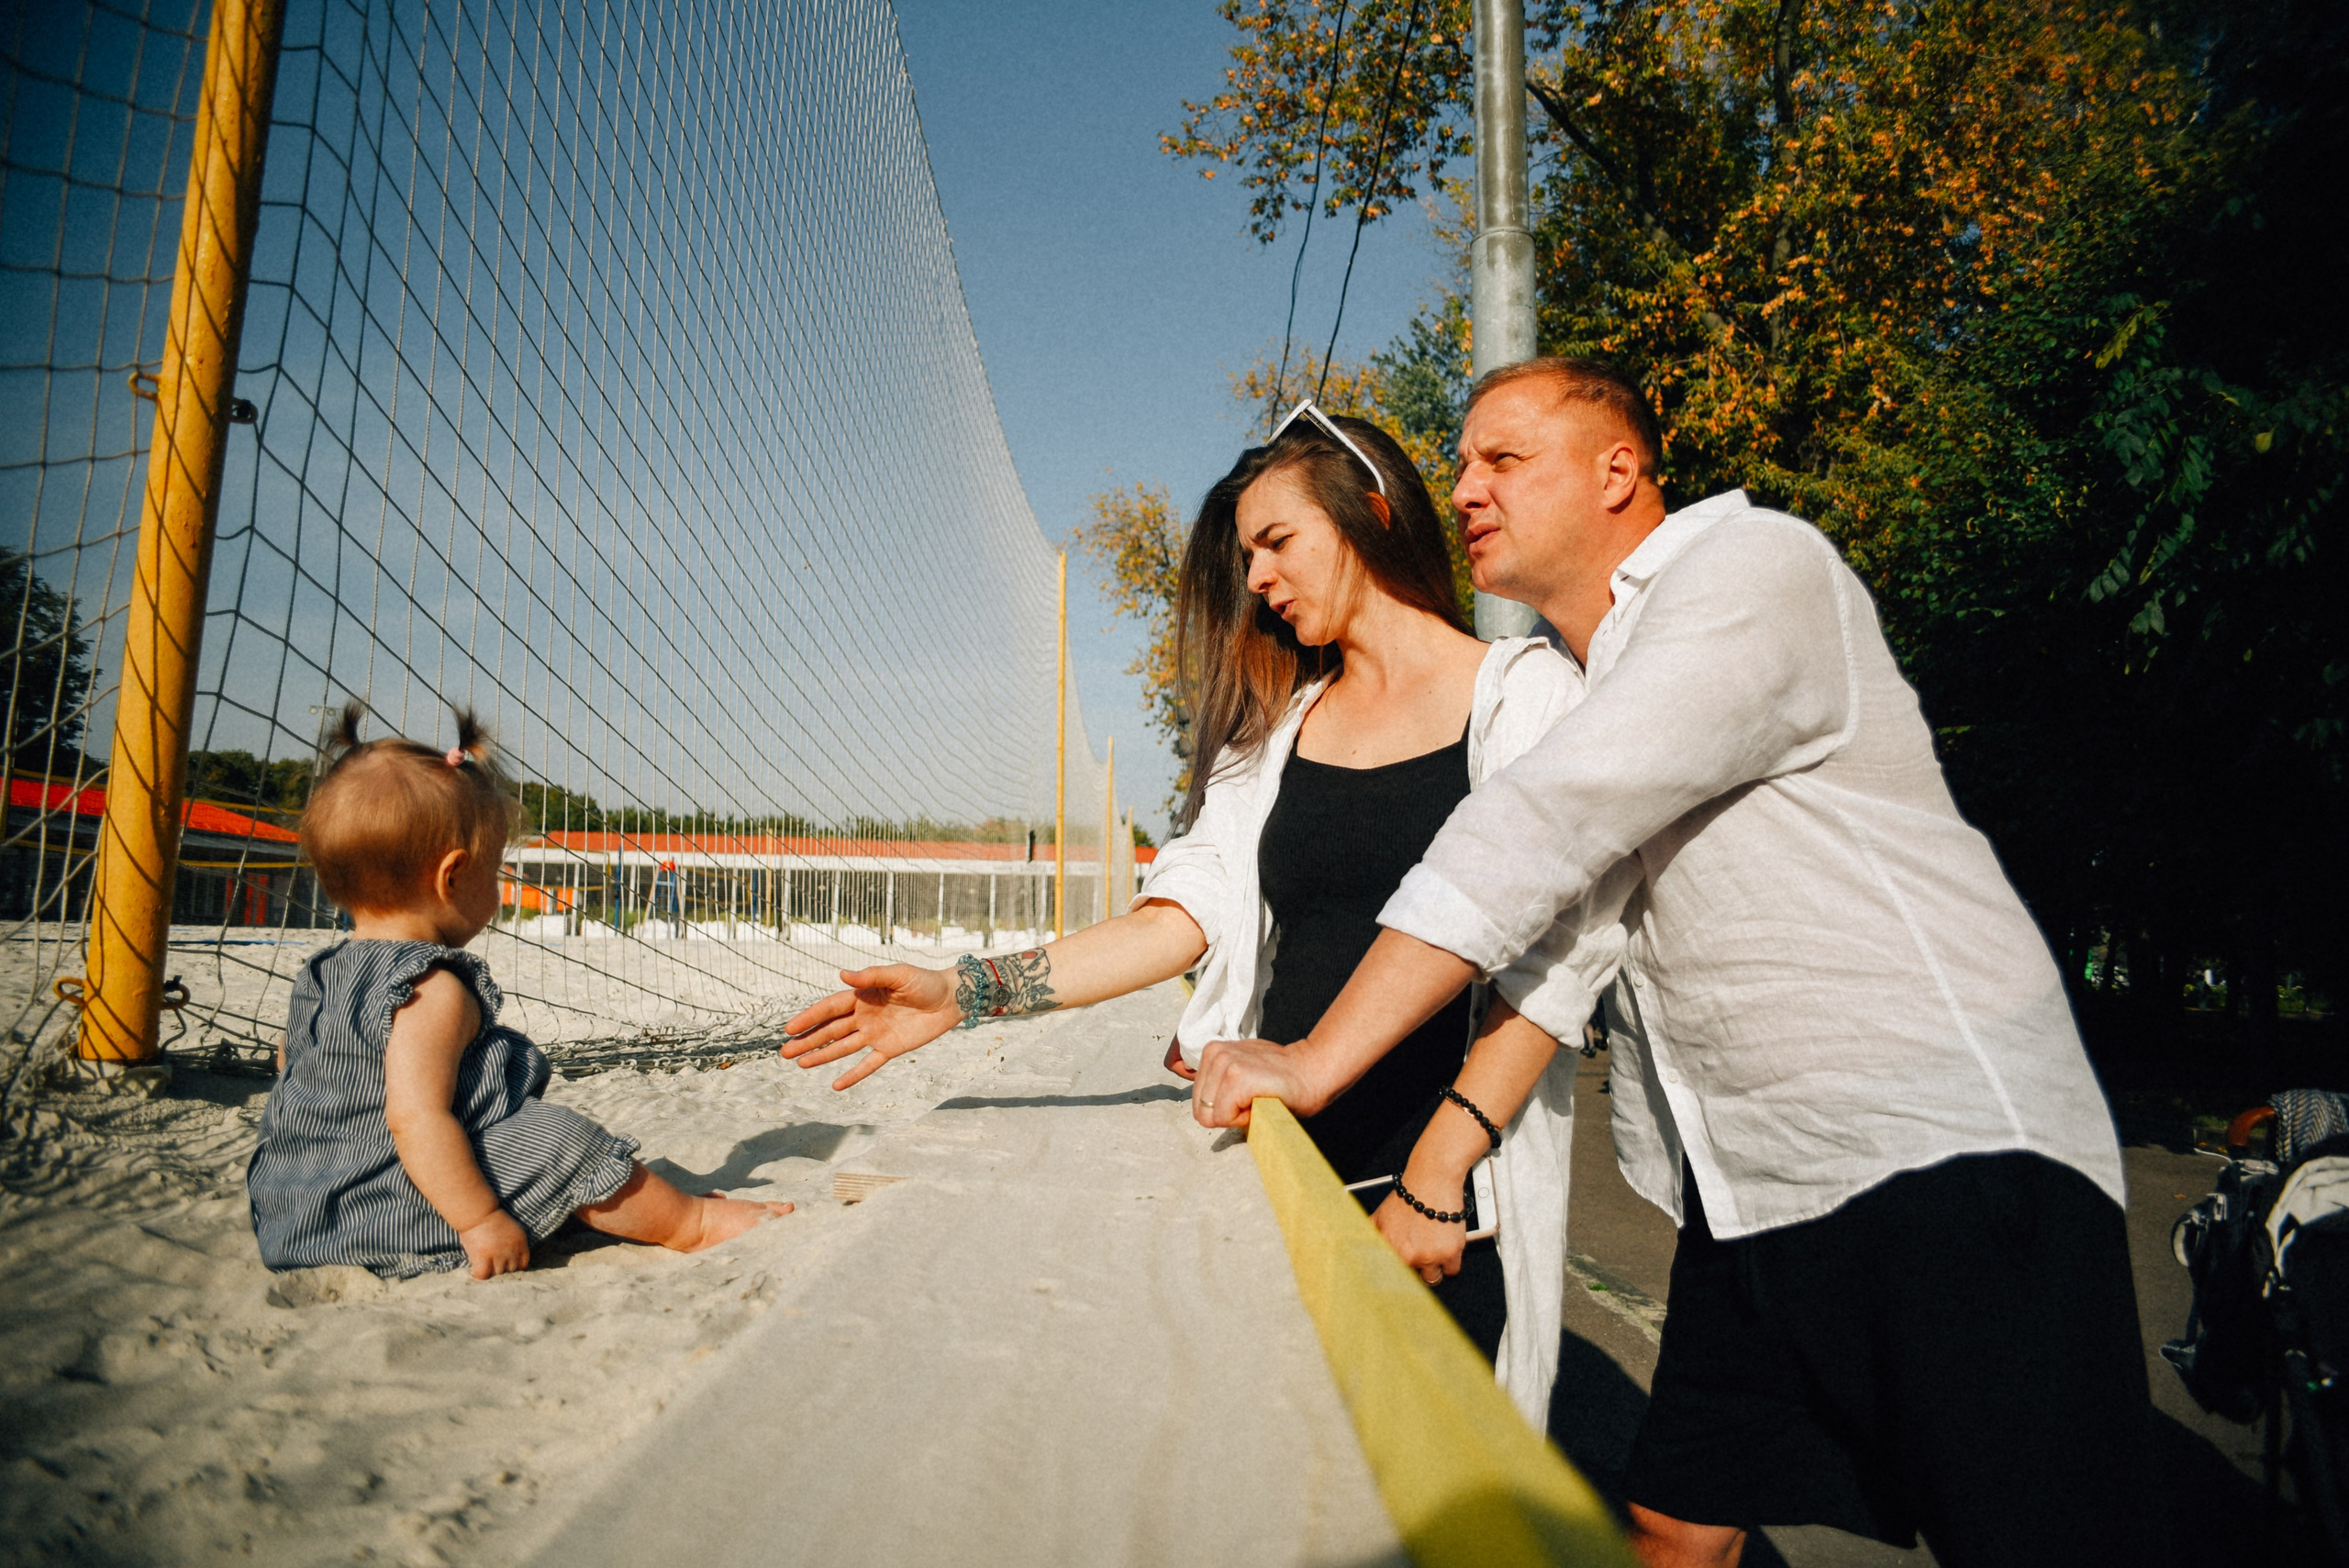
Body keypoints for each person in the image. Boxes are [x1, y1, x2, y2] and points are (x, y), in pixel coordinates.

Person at [1193, 359, 2155, 1568]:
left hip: (1940, 1146)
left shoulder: (1753, 569)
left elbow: (1553, 821)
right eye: (1461, 465)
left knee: (2032, 1533)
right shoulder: (1595, 673)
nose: (1467, 488)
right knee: (1674, 1524)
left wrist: (1317, 1059)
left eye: (1505, 457)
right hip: (1754, 1185)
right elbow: (1572, 933)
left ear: (1620, 469)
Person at [780, 404, 1619, 1421]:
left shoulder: (1525, 700)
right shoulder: (1274, 737)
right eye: (1248, 556)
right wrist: (966, 990)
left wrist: (1438, 1173)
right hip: (1279, 1171)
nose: (1258, 578)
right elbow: (1177, 916)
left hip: (1444, 1199)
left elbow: (1557, 965)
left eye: (1277, 541)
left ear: (1373, 510)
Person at [248, 706, 789, 1281]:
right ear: (452, 877)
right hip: (385, 1210)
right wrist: (479, 1219)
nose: (500, 886)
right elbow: (415, 1120)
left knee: (512, 1140)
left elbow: (292, 1070)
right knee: (558, 1138)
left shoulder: (321, 975)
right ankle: (692, 1224)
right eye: (496, 870)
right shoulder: (429, 987)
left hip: (294, 1208)